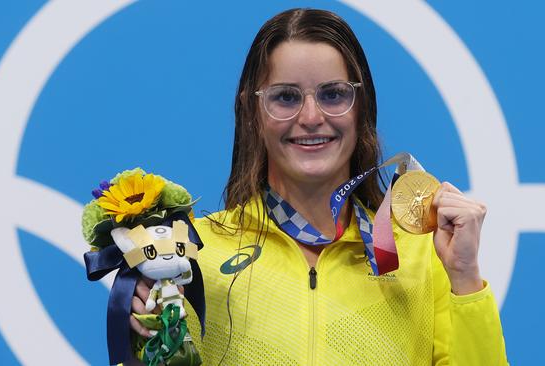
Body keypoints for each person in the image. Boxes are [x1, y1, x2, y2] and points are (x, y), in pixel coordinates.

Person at [131, 8, 508, 365]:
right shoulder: (192, 256)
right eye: (285, 97)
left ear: (362, 108)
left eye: (333, 94)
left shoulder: (420, 258)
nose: (311, 117)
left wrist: (464, 278)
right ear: (252, 112)